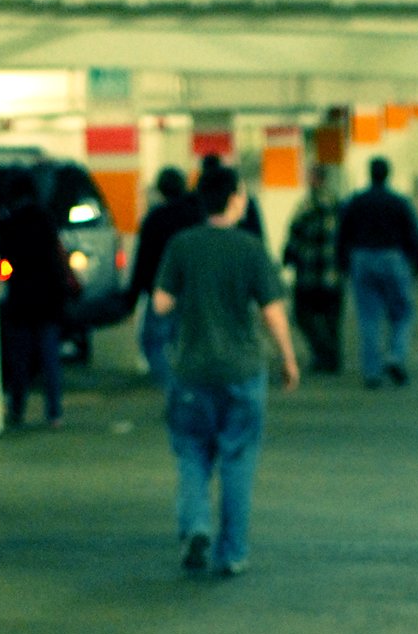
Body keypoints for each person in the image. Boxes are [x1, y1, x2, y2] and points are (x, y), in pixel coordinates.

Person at [153, 163, 300, 577]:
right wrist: (287, 358)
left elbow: (161, 304)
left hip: (191, 371)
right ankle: (231, 553)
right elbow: (273, 314)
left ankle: (196, 528)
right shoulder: (251, 248)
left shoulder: (182, 245)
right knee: (237, 460)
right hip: (242, 372)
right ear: (235, 198)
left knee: (192, 456)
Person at [336, 155, 418, 387]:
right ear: (388, 174)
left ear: (370, 173)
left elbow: (341, 234)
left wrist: (342, 264)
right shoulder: (399, 202)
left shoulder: (355, 201)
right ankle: (395, 356)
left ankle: (372, 373)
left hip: (362, 259)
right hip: (393, 259)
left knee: (368, 317)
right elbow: (414, 233)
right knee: (402, 313)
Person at [0, 168, 72, 427]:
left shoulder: (9, 221)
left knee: (20, 359)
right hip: (49, 296)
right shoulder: (45, 217)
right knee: (50, 357)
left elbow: (4, 259)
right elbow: (57, 251)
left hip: (21, 298)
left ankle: (17, 409)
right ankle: (54, 413)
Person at [125, 166, 201, 388]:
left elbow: (143, 261)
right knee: (186, 341)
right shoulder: (196, 216)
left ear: (160, 190)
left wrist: (132, 297)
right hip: (193, 291)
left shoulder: (155, 218)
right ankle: (188, 383)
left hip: (161, 292)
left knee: (153, 342)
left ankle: (173, 386)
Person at [282, 163, 344, 375]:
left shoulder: (307, 205)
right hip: (332, 273)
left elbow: (295, 234)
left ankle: (322, 353)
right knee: (331, 318)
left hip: (309, 273)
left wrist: (288, 257)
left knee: (303, 315)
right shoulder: (338, 204)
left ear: (316, 179)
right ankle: (332, 357)